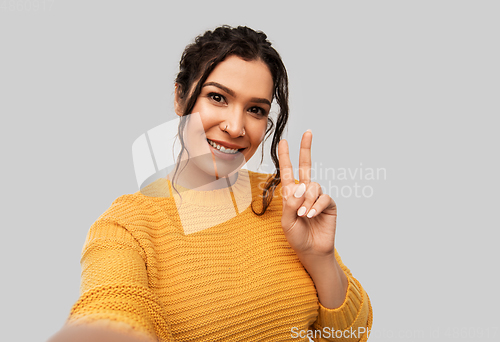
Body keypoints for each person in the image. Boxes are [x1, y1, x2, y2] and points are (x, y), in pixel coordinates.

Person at [48, 25, 373, 342]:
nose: (235, 127)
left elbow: (351, 335)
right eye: (218, 98)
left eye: (255, 110)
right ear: (180, 97)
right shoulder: (128, 225)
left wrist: (320, 258)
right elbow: (110, 307)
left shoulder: (283, 201)